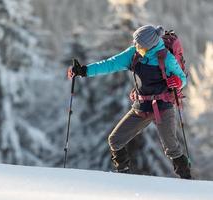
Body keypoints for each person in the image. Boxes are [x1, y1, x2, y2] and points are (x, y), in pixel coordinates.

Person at [67, 25, 191, 179]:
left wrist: (177, 81)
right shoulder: (134, 53)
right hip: (141, 107)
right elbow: (110, 64)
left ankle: (187, 181)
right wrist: (84, 71)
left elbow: (182, 79)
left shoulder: (166, 57)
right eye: (135, 43)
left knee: (172, 149)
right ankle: (123, 177)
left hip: (163, 107)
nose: (136, 47)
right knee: (115, 140)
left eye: (140, 45)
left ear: (150, 45)